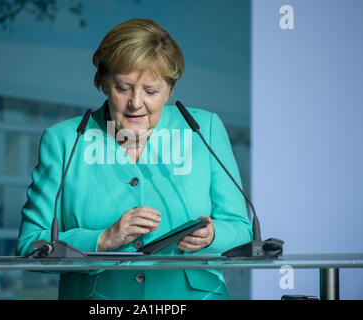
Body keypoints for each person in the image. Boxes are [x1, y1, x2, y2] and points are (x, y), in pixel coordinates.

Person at [16, 19, 252, 300]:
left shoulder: (204, 129)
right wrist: (103, 240)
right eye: (123, 87)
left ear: (170, 89)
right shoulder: (65, 140)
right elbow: (31, 246)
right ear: (102, 82)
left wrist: (212, 237)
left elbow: (241, 230)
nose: (136, 103)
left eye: (151, 91)